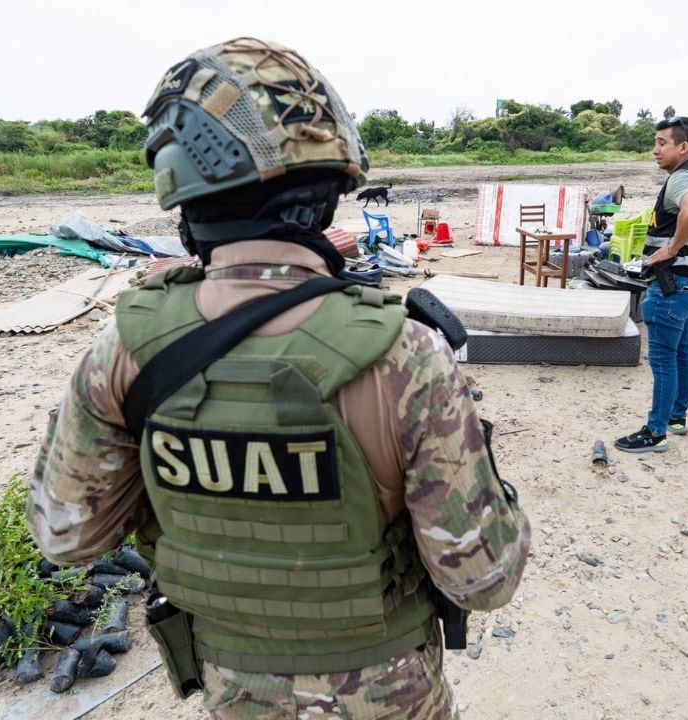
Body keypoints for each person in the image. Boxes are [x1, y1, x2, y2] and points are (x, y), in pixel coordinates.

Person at [26, 38, 530, 718]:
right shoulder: (405, 354)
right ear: (325, 194)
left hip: (232, 690)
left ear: (182, 193)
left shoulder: (124, 351)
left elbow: (67, 537)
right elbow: (482, 579)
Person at [615, 117, 688, 453]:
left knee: (664, 358)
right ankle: (676, 418)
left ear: (683, 146)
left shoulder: (683, 177)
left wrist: (673, 247)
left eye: (661, 142)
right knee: (682, 350)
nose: (655, 150)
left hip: (673, 284)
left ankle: (655, 432)